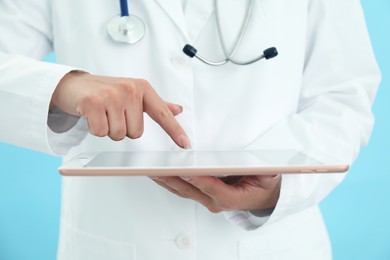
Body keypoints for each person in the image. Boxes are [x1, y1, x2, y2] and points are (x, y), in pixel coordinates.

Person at [0, 0, 380, 259]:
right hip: (114, 241)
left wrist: (280, 186)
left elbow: (343, 94)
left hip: (274, 245)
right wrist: (65, 86)